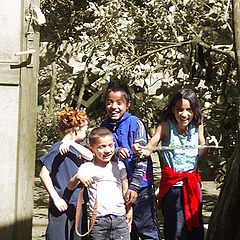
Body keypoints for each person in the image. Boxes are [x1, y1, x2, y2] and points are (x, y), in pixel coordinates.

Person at [132, 88, 218, 240]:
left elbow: (201, 153)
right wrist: (140, 150)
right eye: (180, 110)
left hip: (193, 185)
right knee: (175, 228)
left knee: (195, 227)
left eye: (189, 110)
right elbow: (150, 147)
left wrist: (209, 145)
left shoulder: (198, 126)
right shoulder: (165, 126)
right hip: (173, 188)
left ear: (194, 110)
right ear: (173, 109)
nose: (184, 114)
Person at [101, 84, 161, 240]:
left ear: (128, 105)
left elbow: (143, 158)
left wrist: (134, 186)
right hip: (117, 187)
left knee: (146, 229)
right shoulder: (104, 126)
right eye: (109, 102)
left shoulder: (136, 123)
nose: (113, 107)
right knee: (126, 230)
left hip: (140, 187)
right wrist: (115, 152)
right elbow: (99, 151)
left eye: (119, 103)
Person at [67, 127, 132, 240]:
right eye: (101, 147)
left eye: (110, 145)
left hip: (120, 219)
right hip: (98, 221)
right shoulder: (87, 167)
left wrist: (130, 209)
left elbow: (125, 190)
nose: (107, 150)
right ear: (92, 149)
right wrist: (78, 177)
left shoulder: (119, 166)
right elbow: (70, 186)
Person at [39, 107, 93, 240]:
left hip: (78, 203)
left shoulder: (80, 148)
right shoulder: (57, 149)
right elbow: (43, 174)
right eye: (85, 130)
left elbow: (90, 156)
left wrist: (71, 144)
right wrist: (55, 198)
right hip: (62, 203)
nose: (85, 133)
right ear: (76, 129)